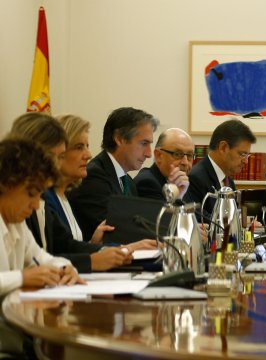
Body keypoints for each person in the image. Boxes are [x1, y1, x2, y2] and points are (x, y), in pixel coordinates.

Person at [6, 113, 147, 273]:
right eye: (79, 147)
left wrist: (113, 249)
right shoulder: (34, 202)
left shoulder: (53, 198)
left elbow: (47, 256)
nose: (88, 155)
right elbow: (49, 256)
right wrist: (95, 259)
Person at [0, 138, 85, 356]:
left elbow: (42, 257)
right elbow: (26, 274)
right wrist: (22, 277)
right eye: (31, 193)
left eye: (40, 194)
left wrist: (65, 269)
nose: (37, 204)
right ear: (5, 184)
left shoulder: (15, 223)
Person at [67, 107, 159, 240]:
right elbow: (115, 233)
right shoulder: (93, 177)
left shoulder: (128, 181)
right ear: (120, 139)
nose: (149, 154)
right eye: (144, 143)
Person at [184, 119, 256, 212]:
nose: (246, 161)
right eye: (242, 154)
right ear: (223, 148)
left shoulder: (228, 180)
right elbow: (200, 219)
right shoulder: (195, 178)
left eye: (248, 155)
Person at [135, 128, 194, 201]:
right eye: (177, 154)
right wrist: (177, 195)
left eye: (189, 155)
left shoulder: (182, 180)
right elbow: (165, 212)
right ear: (159, 155)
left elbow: (197, 211)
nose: (185, 162)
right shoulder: (147, 183)